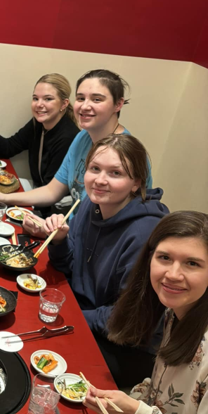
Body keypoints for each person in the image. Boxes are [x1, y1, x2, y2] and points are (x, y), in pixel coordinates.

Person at [84, 211, 208, 414]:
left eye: (193, 264)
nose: (173, 274)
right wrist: (127, 399)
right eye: (164, 257)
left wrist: (136, 411)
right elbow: (161, 389)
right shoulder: (176, 312)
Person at [32, 135, 168, 386]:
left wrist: (72, 315)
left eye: (115, 173)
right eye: (95, 169)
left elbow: (129, 318)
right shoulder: (89, 203)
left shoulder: (144, 234)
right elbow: (69, 266)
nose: (100, 180)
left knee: (43, 363)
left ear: (136, 182)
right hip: (85, 313)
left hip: (125, 343)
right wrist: (60, 241)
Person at [0, 69, 153, 220]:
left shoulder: (128, 152)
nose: (85, 106)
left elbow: (124, 223)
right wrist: (2, 197)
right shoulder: (82, 138)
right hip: (67, 232)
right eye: (80, 98)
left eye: (97, 99)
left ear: (118, 104)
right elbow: (51, 191)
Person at [0, 74, 79, 216]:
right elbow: (8, 148)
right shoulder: (37, 123)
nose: (39, 104)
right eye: (35, 98)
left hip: (54, 208)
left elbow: (50, 192)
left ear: (64, 104)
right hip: (38, 194)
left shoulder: (68, 137)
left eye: (48, 99)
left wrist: (6, 199)